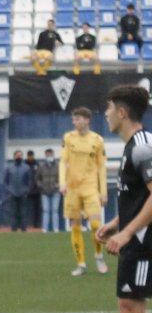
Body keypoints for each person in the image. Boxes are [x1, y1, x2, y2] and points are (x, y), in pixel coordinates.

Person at [88, 85, 152, 313]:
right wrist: (115, 223)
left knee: (130, 310)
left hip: (143, 243)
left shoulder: (143, 146)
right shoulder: (130, 147)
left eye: (110, 109)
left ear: (123, 113)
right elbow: (139, 197)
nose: (107, 115)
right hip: (136, 240)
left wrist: (125, 233)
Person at [59, 107, 108, 276]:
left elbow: (101, 167)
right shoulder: (68, 138)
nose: (75, 122)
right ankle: (81, 264)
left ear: (87, 120)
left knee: (95, 224)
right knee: (76, 227)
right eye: (73, 120)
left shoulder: (97, 140)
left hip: (90, 187)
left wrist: (104, 191)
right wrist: (62, 182)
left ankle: (99, 254)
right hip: (72, 188)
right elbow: (63, 161)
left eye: (78, 119)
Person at [4, 149, 31, 231]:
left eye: (20, 155)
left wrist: (26, 190)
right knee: (13, 212)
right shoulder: (9, 168)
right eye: (17, 155)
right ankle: (14, 228)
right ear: (14, 156)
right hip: (12, 193)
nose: (19, 157)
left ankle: (23, 228)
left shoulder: (26, 168)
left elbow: (29, 181)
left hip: (23, 193)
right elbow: (6, 181)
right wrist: (9, 190)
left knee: (23, 212)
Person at [35, 148, 61, 233]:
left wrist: (57, 185)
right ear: (45, 155)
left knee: (55, 210)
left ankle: (55, 228)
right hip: (44, 192)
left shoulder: (58, 166)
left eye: (50, 155)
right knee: (45, 210)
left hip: (55, 191)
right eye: (47, 155)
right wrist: (41, 186)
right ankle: (45, 228)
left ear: (53, 155)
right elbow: (37, 179)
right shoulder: (41, 166)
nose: (49, 156)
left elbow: (62, 178)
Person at [25, 149, 41, 228]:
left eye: (32, 156)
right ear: (27, 156)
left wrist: (39, 186)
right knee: (24, 208)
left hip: (36, 190)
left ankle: (36, 224)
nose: (31, 157)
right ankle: (23, 223)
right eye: (29, 156)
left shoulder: (37, 164)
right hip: (26, 190)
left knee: (37, 208)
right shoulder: (24, 165)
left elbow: (40, 176)